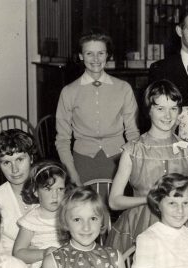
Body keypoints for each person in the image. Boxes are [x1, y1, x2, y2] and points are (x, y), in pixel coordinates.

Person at [106, 79, 188, 253]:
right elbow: (114, 201)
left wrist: (177, 205)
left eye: (173, 109)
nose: (168, 116)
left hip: (182, 221)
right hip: (140, 223)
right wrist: (152, 200)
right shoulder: (133, 150)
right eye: (160, 109)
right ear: (148, 111)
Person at [55, 32, 140, 185]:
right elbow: (62, 139)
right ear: (81, 56)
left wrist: (134, 165)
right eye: (89, 53)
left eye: (101, 53)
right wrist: (72, 172)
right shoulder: (69, 91)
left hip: (119, 160)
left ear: (107, 55)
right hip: (82, 163)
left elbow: (133, 133)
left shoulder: (123, 88)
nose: (95, 59)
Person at [13, 161, 70, 268]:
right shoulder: (31, 220)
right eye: (48, 189)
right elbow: (18, 253)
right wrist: (44, 253)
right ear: (35, 191)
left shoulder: (68, 214)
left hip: (68, 264)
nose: (55, 195)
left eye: (60, 189)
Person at [0, 129, 37, 256]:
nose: (14, 169)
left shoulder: (49, 192)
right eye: (6, 162)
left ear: (31, 158)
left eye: (20, 159)